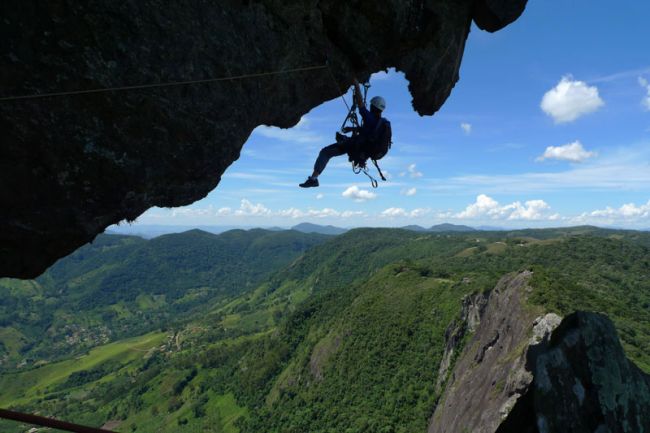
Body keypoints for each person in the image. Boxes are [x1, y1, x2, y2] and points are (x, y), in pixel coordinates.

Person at [299, 78, 386, 188]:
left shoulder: (369, 118)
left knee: (325, 152)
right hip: (362, 150)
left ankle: (313, 179)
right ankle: (314, 178)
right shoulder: (380, 123)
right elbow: (367, 133)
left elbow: (360, 103)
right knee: (340, 140)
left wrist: (356, 85)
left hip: (356, 147)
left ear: (373, 106)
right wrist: (352, 129)